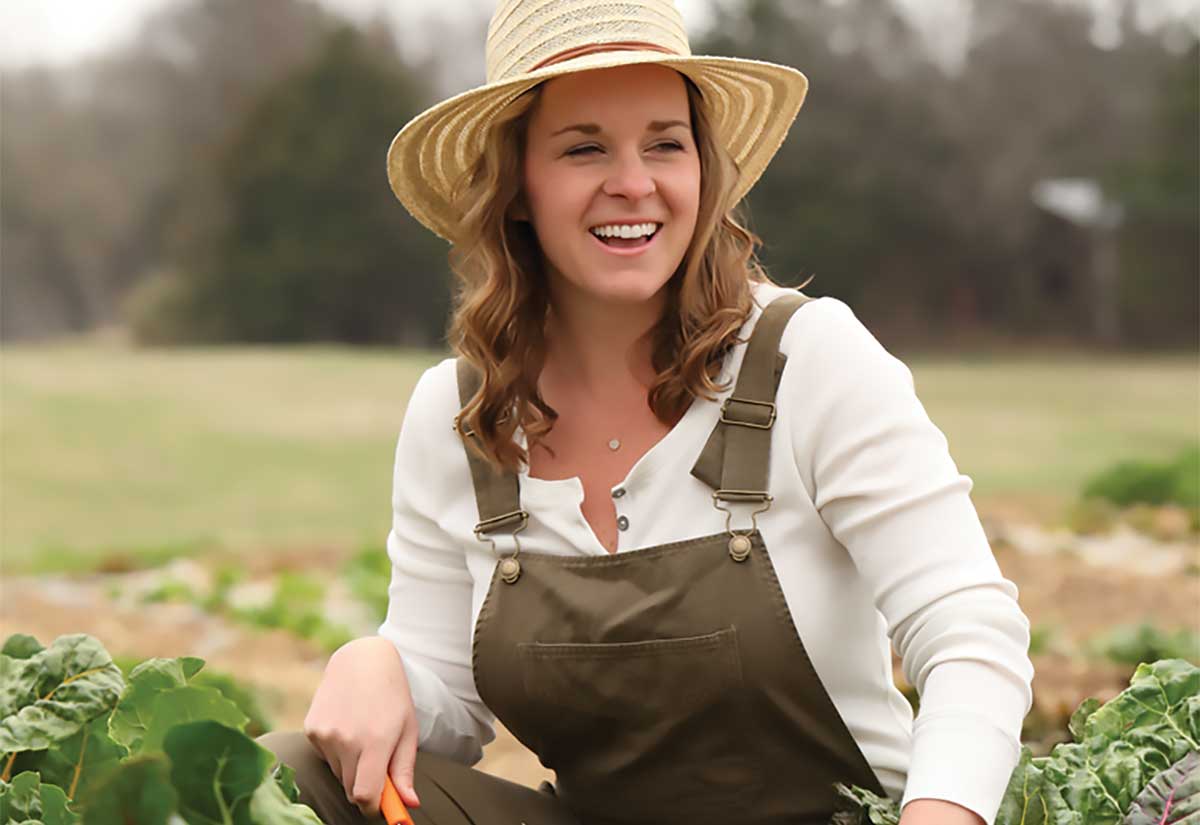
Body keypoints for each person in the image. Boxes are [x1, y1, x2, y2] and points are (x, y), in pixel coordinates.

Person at [258, 1, 1035, 823]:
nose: (634, 182)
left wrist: (942, 813)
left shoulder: (810, 360)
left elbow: (969, 632)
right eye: (584, 147)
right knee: (290, 776)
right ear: (517, 184)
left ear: (703, 168)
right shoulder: (459, 414)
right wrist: (377, 664)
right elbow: (442, 706)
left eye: (665, 143)